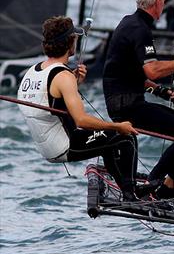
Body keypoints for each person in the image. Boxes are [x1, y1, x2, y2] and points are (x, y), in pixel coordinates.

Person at [103, 0, 174, 202]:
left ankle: (170, 185)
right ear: (158, 2)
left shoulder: (128, 22)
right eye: (164, 1)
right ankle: (153, 184)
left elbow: (129, 72)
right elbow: (152, 70)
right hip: (127, 107)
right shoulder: (139, 29)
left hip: (126, 100)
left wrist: (158, 90)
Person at [17, 16, 140, 201]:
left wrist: (74, 85)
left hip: (47, 148)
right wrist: (118, 126)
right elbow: (81, 120)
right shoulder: (63, 76)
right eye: (75, 37)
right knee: (125, 137)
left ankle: (127, 190)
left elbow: (49, 103)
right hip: (64, 146)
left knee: (107, 143)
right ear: (69, 42)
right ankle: (131, 195)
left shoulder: (33, 72)